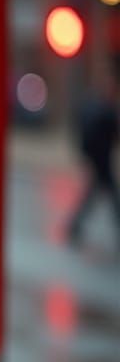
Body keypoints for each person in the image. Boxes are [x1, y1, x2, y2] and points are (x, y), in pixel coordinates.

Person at [66, 67, 120, 247]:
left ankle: (74, 225)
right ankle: (74, 225)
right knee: (111, 197)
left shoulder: (95, 107)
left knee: (95, 195)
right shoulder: (105, 111)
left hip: (97, 160)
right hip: (101, 161)